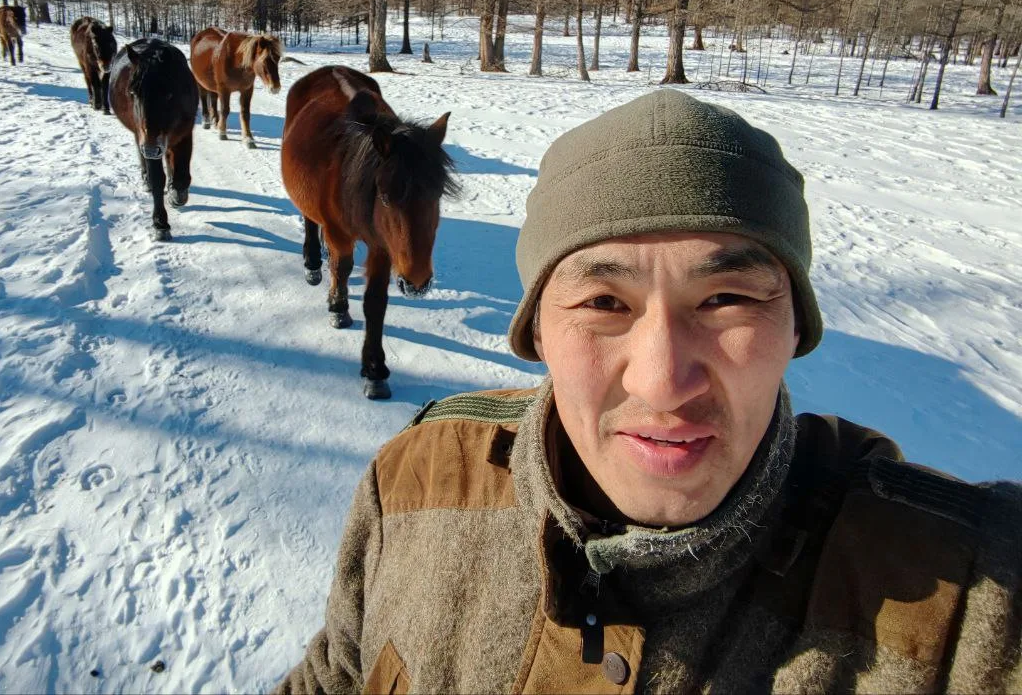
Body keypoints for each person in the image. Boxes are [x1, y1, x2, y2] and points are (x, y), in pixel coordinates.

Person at [276, 89, 1022, 694]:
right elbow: (334, 677)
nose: (663, 381)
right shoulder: (413, 483)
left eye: (727, 299)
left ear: (796, 327)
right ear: (536, 331)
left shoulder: (971, 594)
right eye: (604, 302)